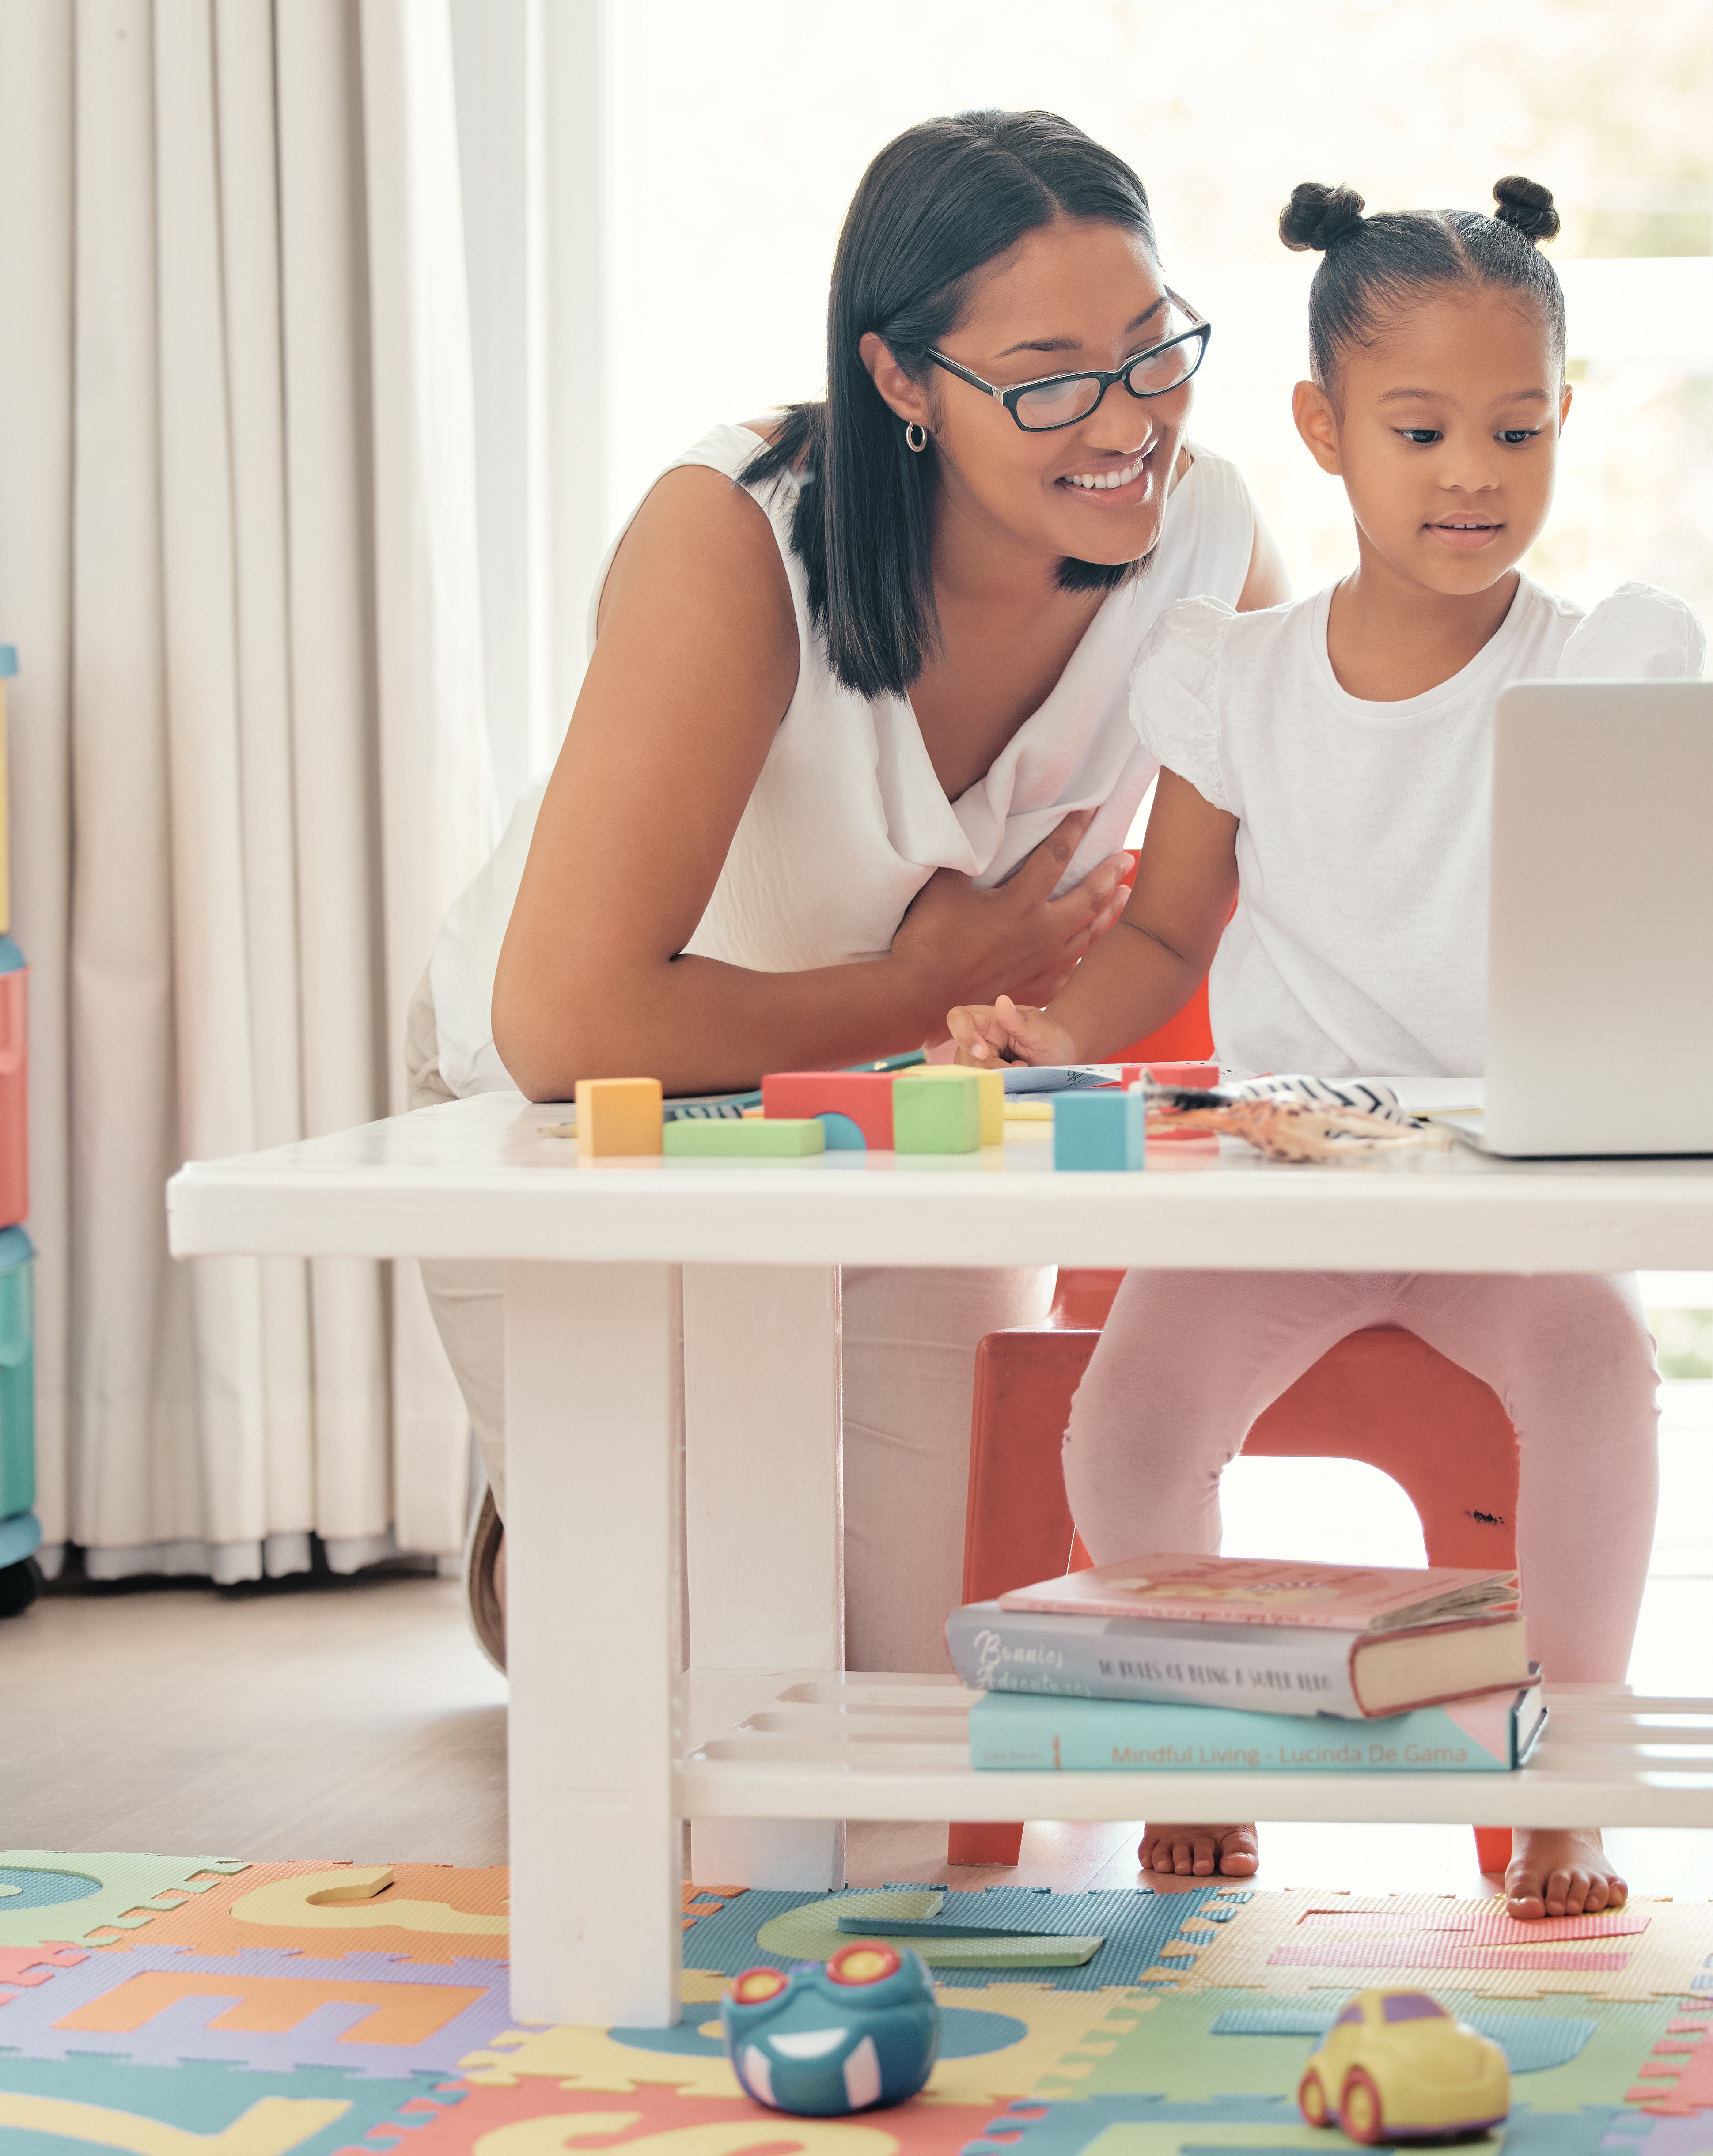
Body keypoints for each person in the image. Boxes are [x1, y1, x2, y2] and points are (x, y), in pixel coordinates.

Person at [409, 109, 1282, 1677]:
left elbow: (1194, 910)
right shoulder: (739, 537)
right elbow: (565, 1022)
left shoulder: (1206, 542)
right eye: (1048, 377)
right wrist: (925, 983)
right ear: (899, 381)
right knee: (673, 1676)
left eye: (1156, 351)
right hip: (590, 1117)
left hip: (916, 1124)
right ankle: (533, 1535)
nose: (1127, 417)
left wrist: (1029, 1030)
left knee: (903, 1679)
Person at [945, 176, 1699, 1918]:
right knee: (1128, 1420)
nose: (1470, 473)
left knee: (1599, 1379)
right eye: (1421, 428)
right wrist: (1051, 1031)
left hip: (1510, 1195)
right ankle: (1200, 1753)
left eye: (1515, 430)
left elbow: (1656, 931)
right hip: (1288, 1175)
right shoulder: (1238, 682)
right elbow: (1158, 935)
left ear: (1562, 426)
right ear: (1323, 430)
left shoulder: (1599, 669)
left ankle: (1564, 1781)